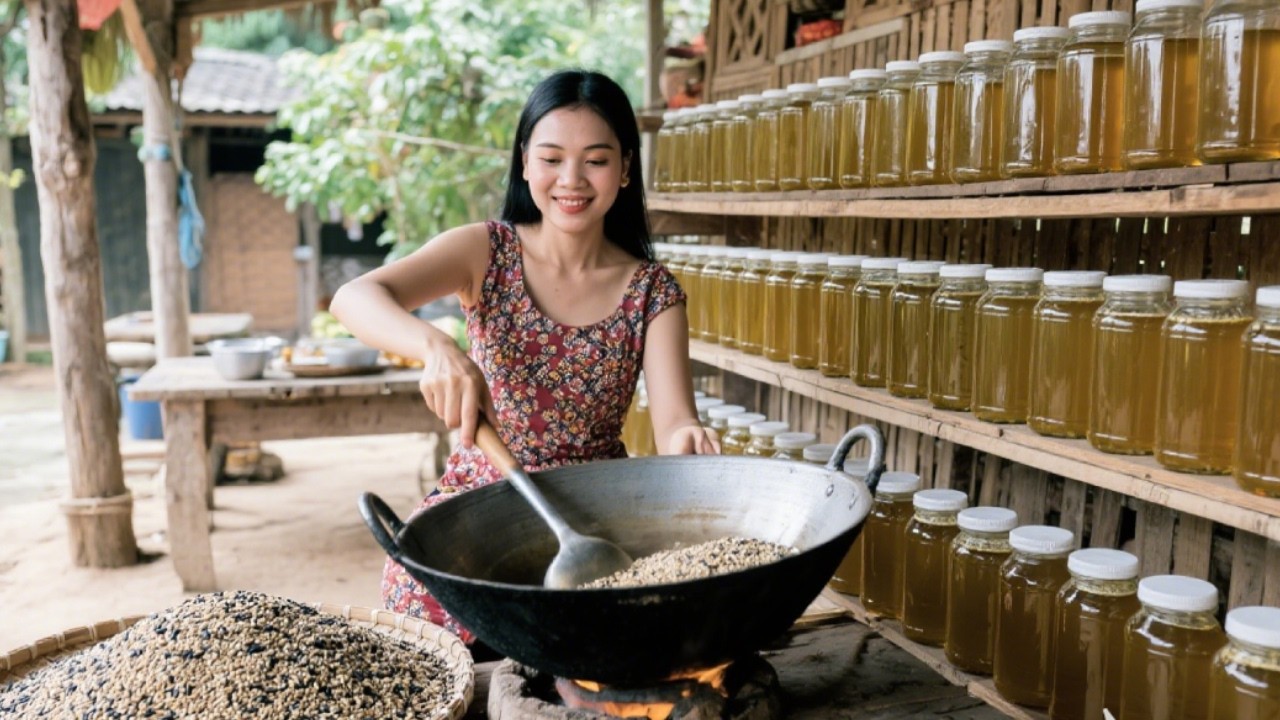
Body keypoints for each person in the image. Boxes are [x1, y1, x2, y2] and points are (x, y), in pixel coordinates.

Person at [329, 69, 718, 644]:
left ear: (625, 168)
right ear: (525, 163)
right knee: (419, 591)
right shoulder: (486, 251)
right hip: (480, 504)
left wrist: (690, 441)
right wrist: (437, 347)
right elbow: (354, 296)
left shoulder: (652, 291)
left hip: (598, 518)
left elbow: (675, 423)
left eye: (596, 160)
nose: (572, 180)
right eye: (552, 158)